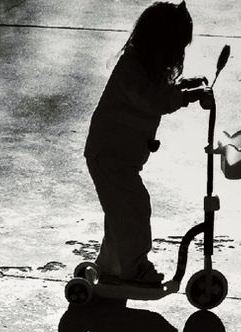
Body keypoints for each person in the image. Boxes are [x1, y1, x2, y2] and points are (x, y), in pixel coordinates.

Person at [84, 1, 209, 287]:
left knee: (121, 212)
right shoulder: (131, 68)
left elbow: (159, 92)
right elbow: (153, 99)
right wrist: (186, 96)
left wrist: (184, 85)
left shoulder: (144, 68)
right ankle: (134, 267)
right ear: (158, 43)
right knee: (133, 209)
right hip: (110, 156)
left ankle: (110, 265)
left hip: (119, 158)